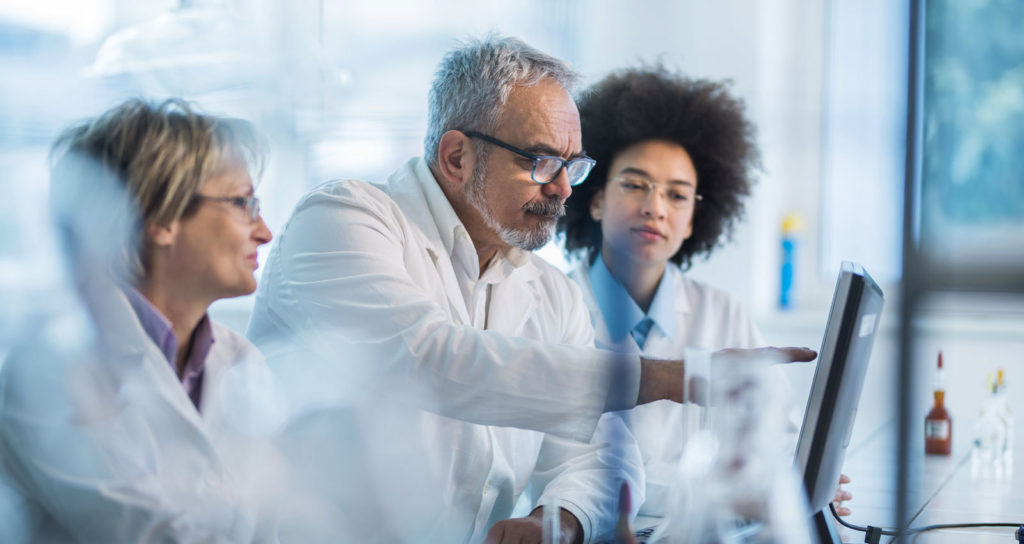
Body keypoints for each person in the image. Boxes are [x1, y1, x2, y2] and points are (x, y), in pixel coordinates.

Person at [246, 36, 815, 543]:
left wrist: (557, 518)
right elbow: (426, 359)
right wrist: (669, 377)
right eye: (542, 162)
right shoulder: (344, 218)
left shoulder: (548, 291)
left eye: (574, 165)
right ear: (456, 157)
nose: (563, 189)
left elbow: (602, 454)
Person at [557, 66, 852, 519]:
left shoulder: (722, 313)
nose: (655, 207)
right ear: (594, 199)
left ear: (694, 220)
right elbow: (570, 470)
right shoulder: (553, 306)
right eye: (635, 185)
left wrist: (802, 479)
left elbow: (780, 439)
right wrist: (732, 490)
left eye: (677, 196)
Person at [0, 99, 281, 542]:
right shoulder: (53, 367)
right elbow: (146, 534)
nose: (264, 231)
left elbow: (273, 523)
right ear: (162, 217)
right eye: (243, 203)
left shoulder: (242, 362)